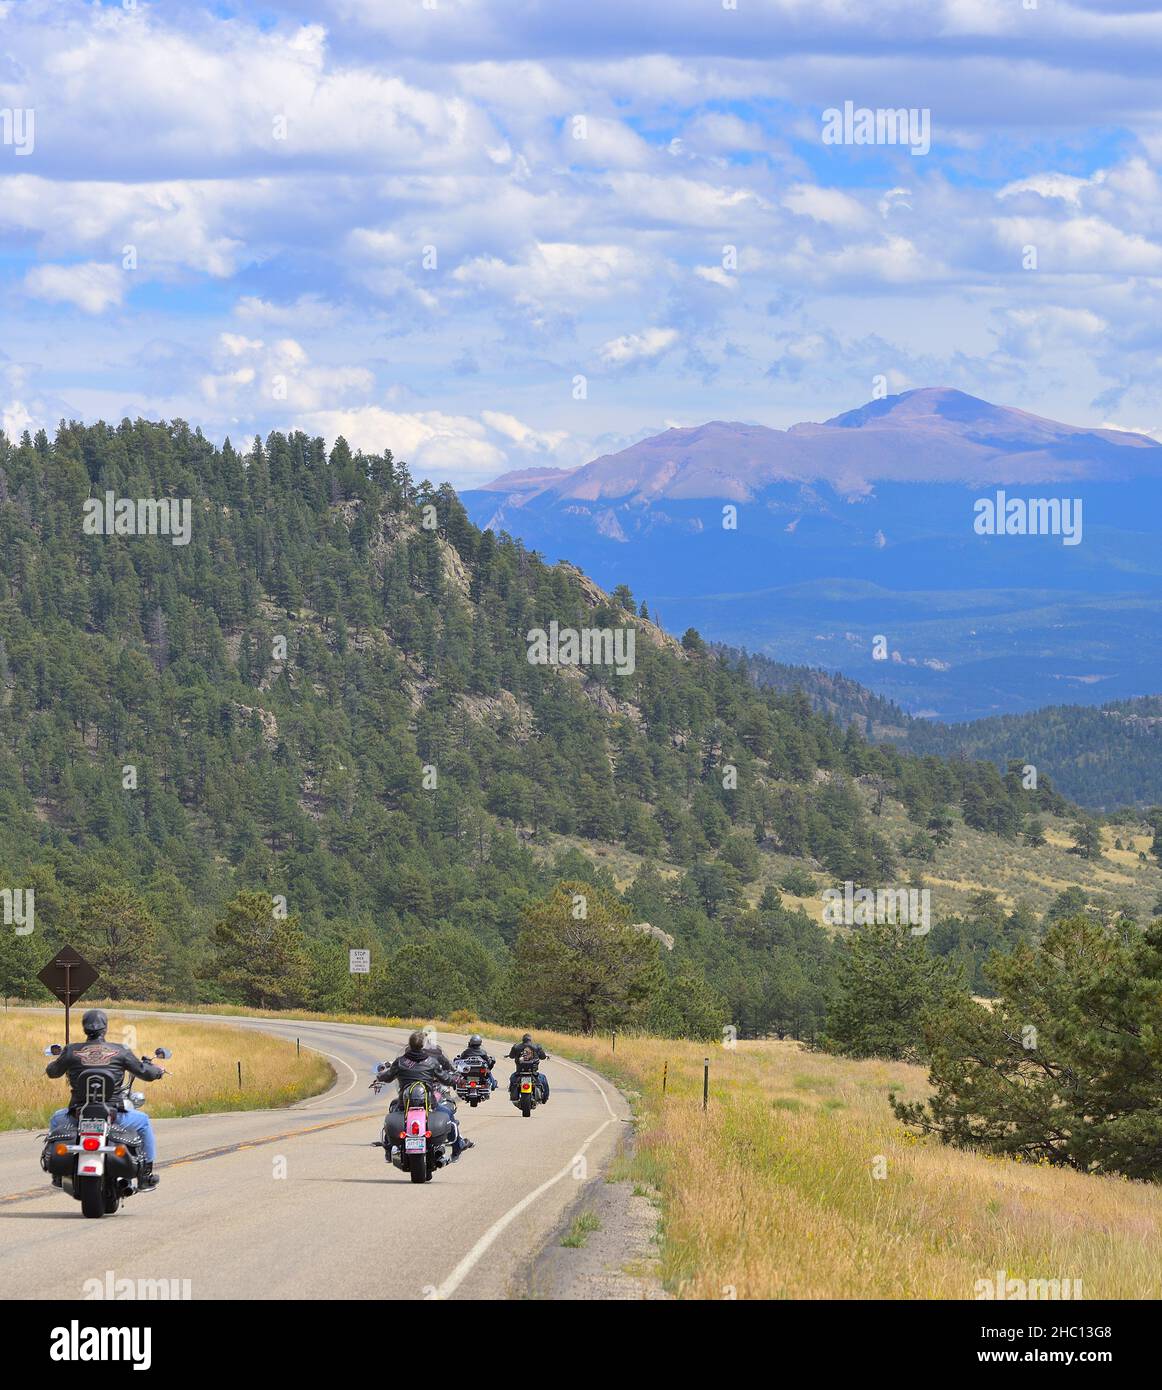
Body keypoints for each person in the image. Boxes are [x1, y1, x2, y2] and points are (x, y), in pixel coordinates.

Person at [45, 1009, 164, 1189]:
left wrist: (54, 1064)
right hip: (114, 1113)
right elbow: (144, 1072)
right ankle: (145, 1175)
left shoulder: (71, 1050)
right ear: (105, 1028)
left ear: (84, 1028)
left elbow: (53, 1072)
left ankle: (57, 1175)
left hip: (78, 1113)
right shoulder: (120, 1050)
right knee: (144, 1122)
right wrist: (157, 1071)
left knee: (55, 1118)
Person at [376, 1031, 474, 1160]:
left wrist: (379, 1076)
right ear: (423, 1047)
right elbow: (446, 1079)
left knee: (389, 1118)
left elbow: (387, 1077)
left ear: (410, 1045)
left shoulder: (400, 1062)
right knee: (449, 1115)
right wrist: (458, 1080)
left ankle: (388, 1151)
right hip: (429, 1103)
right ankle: (457, 1146)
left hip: (404, 1104)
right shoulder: (431, 1062)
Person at [506, 1033, 550, 1105]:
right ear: (530, 1040)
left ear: (523, 1040)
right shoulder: (537, 1047)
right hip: (533, 1073)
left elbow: (511, 1056)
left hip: (519, 1072)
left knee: (512, 1079)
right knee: (544, 1080)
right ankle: (545, 1098)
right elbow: (542, 1057)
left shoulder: (516, 1047)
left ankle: (513, 1095)